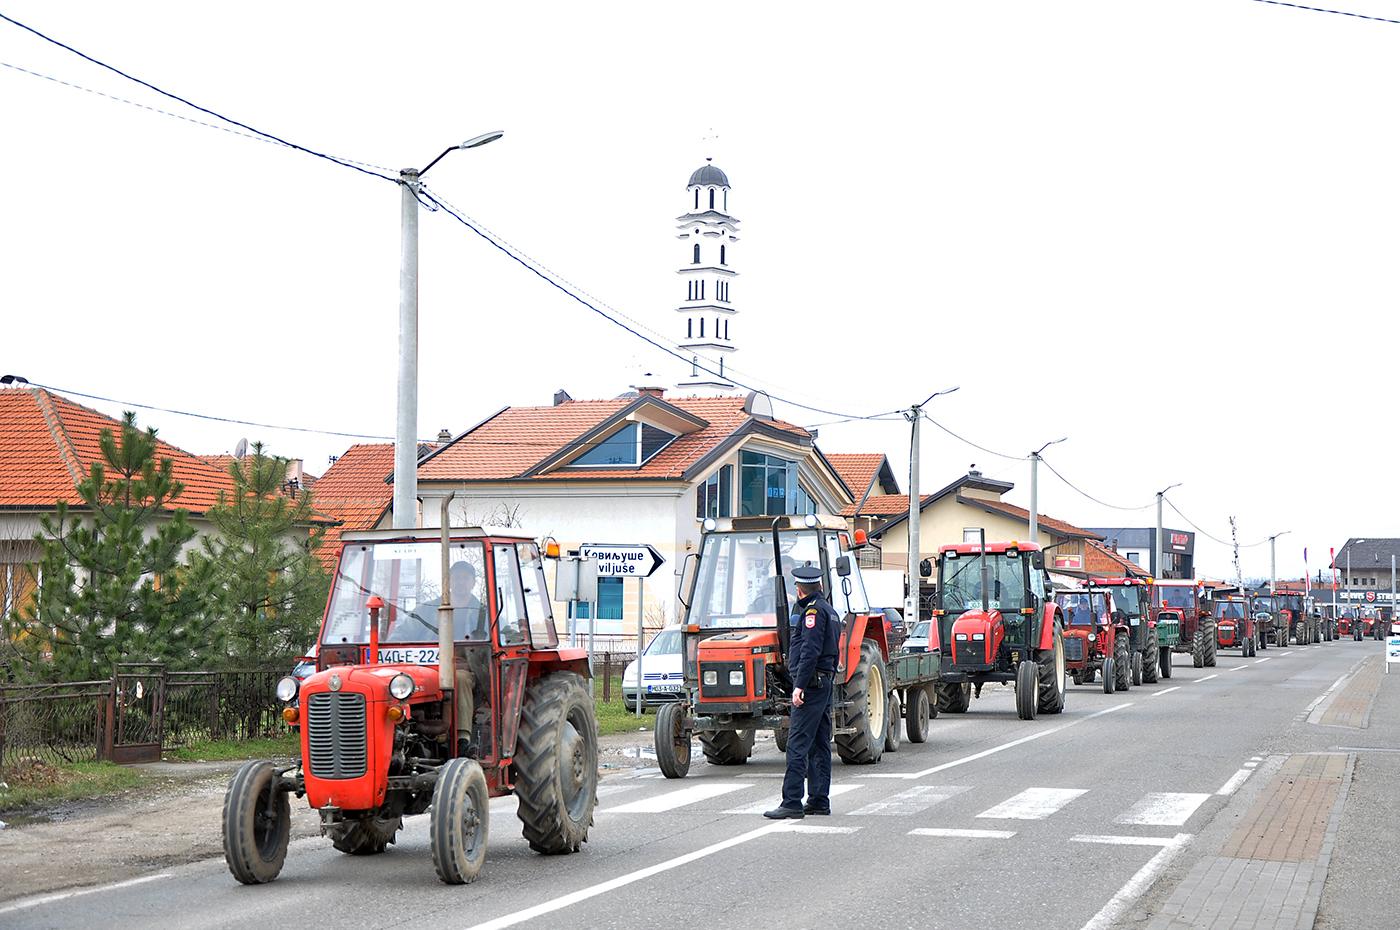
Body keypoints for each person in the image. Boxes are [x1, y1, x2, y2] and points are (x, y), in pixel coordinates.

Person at [765, 565, 840, 820]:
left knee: (797, 743)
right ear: (818, 585)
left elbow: (809, 651)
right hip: (824, 682)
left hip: (811, 685)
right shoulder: (829, 610)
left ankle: (792, 802)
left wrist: (799, 686)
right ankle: (819, 800)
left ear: (799, 589)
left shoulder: (812, 613)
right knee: (819, 743)